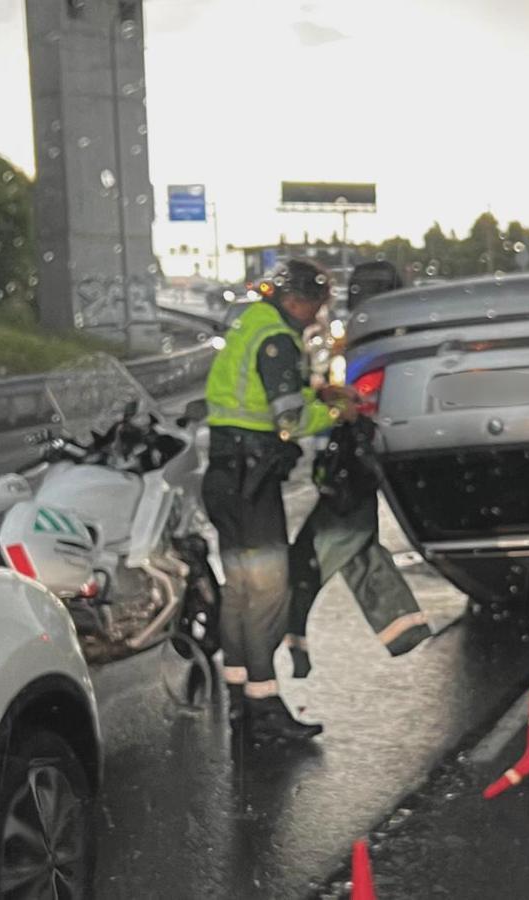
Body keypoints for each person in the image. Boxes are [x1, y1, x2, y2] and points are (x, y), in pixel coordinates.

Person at [201, 257, 357, 744]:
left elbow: (266, 397)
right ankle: (265, 705)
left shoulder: (251, 325)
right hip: (253, 483)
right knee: (268, 593)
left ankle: (240, 696)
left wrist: (316, 392)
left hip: (225, 478)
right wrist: (335, 410)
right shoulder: (278, 341)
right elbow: (289, 419)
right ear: (295, 299)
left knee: (239, 591)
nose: (315, 316)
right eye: (314, 305)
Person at [283, 415, 431, 678]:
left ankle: (403, 630)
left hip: (341, 482)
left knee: (317, 562)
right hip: (340, 478)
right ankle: (403, 630)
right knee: (338, 556)